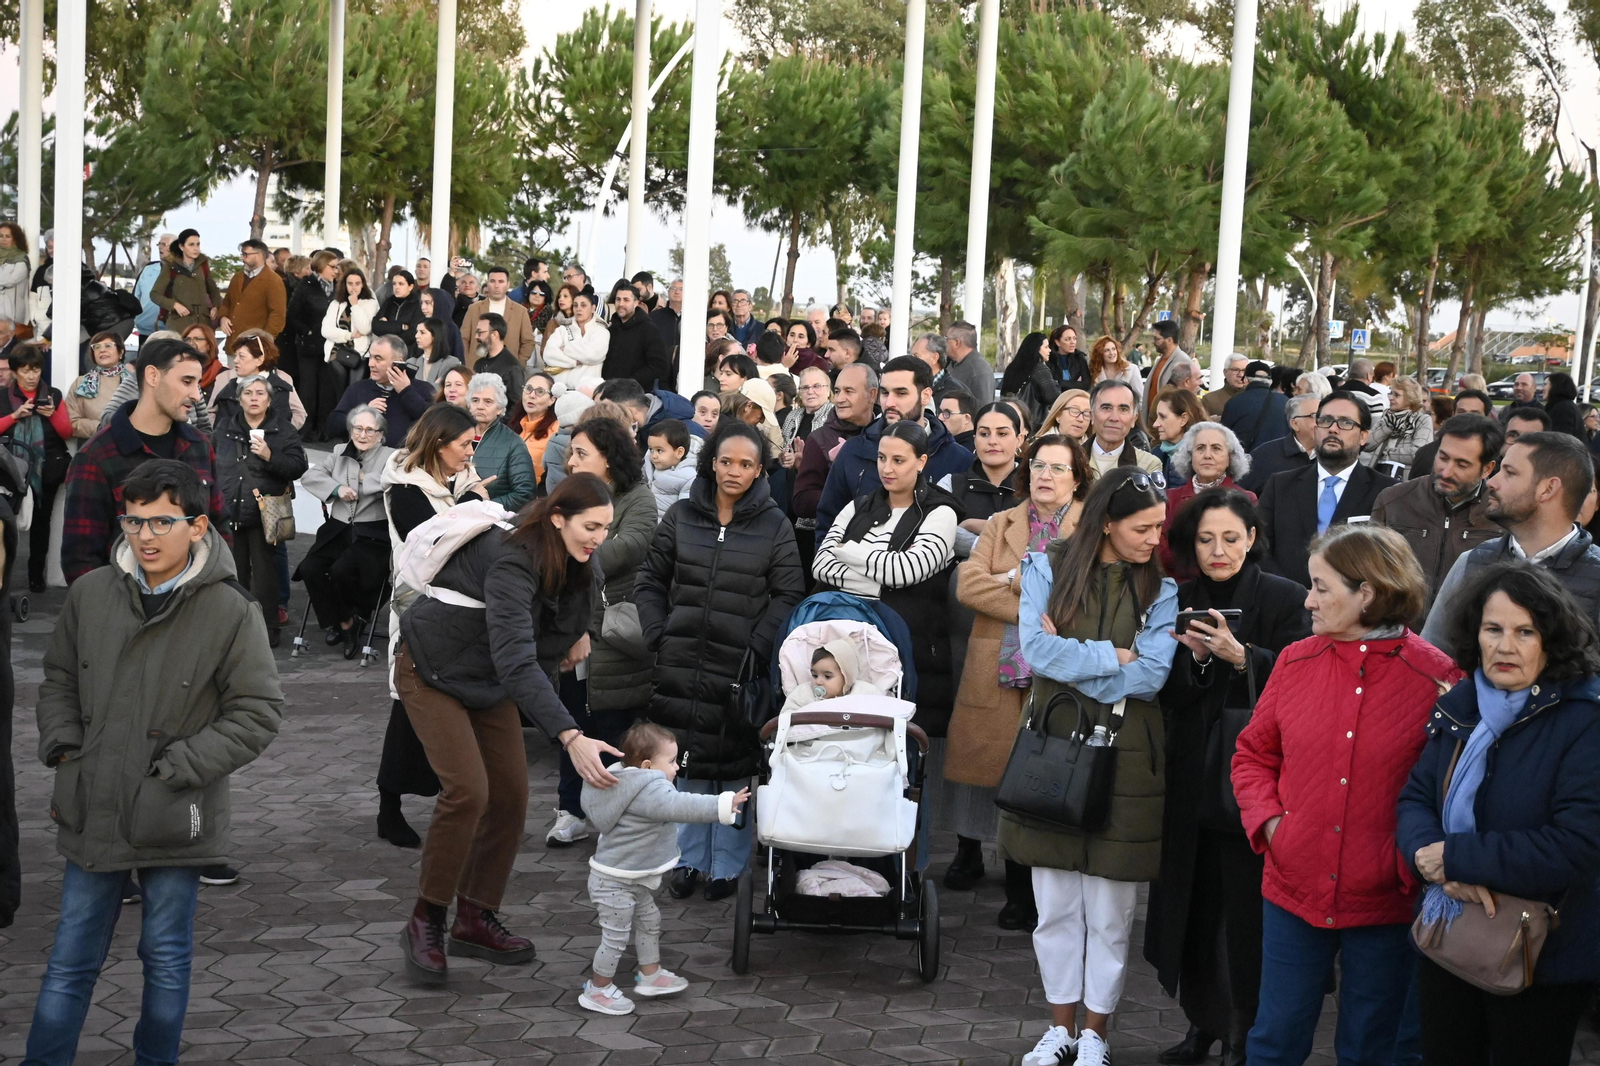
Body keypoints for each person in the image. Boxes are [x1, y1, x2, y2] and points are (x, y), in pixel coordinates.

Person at [24, 459, 281, 1066]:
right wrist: (64, 744)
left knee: (165, 960)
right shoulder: (91, 593)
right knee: (69, 962)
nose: (145, 536)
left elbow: (258, 713)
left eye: (162, 521)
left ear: (197, 526)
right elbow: (58, 677)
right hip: (92, 807)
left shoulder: (231, 610)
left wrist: (178, 767)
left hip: (173, 813)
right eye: (133, 522)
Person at [1232, 523, 1461, 1066]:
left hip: (1385, 899)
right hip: (1292, 888)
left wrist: (1405, 861)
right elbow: (1253, 755)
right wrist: (1271, 825)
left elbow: (1448, 790)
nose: (1307, 600)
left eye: (1320, 587)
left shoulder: (1438, 677)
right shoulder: (1295, 661)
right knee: (1275, 1040)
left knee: (1371, 1048)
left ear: (1368, 592)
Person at [394, 473, 622, 983]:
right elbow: (518, 660)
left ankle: (474, 916)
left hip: (487, 679)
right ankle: (425, 918)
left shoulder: (583, 556)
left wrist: (582, 632)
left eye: (606, 527)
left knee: (512, 795)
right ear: (558, 519)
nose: (598, 538)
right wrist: (569, 735)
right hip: (432, 668)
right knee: (468, 791)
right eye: (590, 526)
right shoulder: (512, 557)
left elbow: (585, 608)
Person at [1397, 563, 1600, 1066]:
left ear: (1551, 638)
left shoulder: (1584, 720)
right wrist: (1429, 857)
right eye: (1493, 629)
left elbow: (1576, 844)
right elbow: (1415, 798)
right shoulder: (1461, 705)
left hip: (1543, 955)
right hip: (1449, 936)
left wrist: (1457, 858)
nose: (1505, 646)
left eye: (1524, 631)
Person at [1008, 468, 1179, 1066]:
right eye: (1142, 527)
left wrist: (1075, 657)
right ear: (1107, 522)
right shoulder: (1044, 566)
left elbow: (1153, 674)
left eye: (1159, 527)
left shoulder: (1162, 588)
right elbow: (1036, 651)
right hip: (1053, 744)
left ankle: (1096, 1036)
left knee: (1111, 912)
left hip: (1129, 754)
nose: (1154, 539)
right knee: (1054, 906)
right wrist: (1112, 655)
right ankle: (1058, 1029)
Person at [1144, 489, 1311, 1066]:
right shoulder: (1177, 597)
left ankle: (1245, 1029)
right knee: (1192, 907)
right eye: (1206, 539)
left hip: (1258, 781)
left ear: (1253, 539)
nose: (1219, 550)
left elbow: (1301, 685)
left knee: (1245, 914)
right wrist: (1193, 660)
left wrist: (1244, 658)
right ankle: (1202, 1024)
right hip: (1190, 774)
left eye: (1231, 538)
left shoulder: (1287, 597)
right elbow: (1162, 691)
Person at [634, 422, 804, 901]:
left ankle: (726, 867)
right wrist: (657, 632)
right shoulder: (684, 515)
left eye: (745, 464)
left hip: (737, 666)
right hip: (679, 659)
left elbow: (788, 592)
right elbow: (650, 578)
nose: (733, 471)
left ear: (759, 470)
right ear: (711, 461)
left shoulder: (774, 524)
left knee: (731, 763)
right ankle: (687, 860)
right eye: (726, 461)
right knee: (683, 761)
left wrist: (757, 647)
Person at [946, 433, 1088, 929]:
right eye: (1039, 467)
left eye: (1058, 468)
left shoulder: (1089, 526)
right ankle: (997, 872)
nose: (1045, 476)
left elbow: (1082, 598)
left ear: (1078, 477)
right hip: (998, 667)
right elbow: (969, 584)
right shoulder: (1003, 522)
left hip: (1057, 672)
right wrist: (1033, 596)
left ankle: (1031, 885)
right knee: (995, 773)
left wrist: (1013, 583)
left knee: (1041, 777)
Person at [376, 404, 495, 849]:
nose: (470, 452)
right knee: (409, 706)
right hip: (419, 610)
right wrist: (472, 506)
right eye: (465, 444)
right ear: (438, 443)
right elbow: (428, 545)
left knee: (462, 703)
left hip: (462, 610)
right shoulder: (405, 490)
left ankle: (469, 801)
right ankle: (389, 809)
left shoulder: (461, 478)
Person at [578, 722, 750, 1015]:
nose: (676, 769)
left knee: (649, 920)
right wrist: (723, 804)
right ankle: (598, 989)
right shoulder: (649, 790)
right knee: (615, 937)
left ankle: (650, 973)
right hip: (615, 883)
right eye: (671, 762)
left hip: (630, 876)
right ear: (647, 766)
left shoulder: (625, 780)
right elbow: (682, 805)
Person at [546, 417, 656, 847]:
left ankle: (616, 818)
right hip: (571, 625)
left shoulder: (639, 499)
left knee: (614, 731)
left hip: (615, 633)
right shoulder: (568, 497)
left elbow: (626, 549)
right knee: (570, 723)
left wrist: (572, 548)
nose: (571, 463)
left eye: (581, 454)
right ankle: (570, 811)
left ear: (608, 459)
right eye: (571, 453)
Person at [814, 419, 963, 732]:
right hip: (843, 642)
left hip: (907, 651)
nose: (887, 468)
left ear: (921, 462)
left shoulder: (940, 513)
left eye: (899, 460)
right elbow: (821, 565)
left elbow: (907, 570)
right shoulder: (857, 506)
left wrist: (851, 554)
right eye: (882, 458)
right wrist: (882, 581)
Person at [61, 338, 224, 584]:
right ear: (152, 376)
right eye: (187, 381)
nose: (196, 395)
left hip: (199, 606)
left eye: (197, 383)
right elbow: (81, 560)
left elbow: (219, 528)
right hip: (125, 612)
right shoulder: (96, 457)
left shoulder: (200, 446)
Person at [1422, 431, 1600, 654]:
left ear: (1548, 489)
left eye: (1509, 473)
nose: (1491, 482)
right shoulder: (1472, 562)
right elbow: (1432, 658)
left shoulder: (1595, 573)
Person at [816, 356, 975, 537]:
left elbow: (962, 532)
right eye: (885, 393)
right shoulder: (854, 451)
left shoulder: (958, 459)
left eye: (901, 393)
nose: (889, 403)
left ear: (925, 396)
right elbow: (828, 522)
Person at [1256, 392, 1397, 587]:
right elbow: (1260, 547)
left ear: (1364, 436)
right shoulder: (1280, 485)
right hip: (1287, 604)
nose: (1333, 429)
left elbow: (1387, 561)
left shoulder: (1385, 491)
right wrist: (1288, 593)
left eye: (1346, 423)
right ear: (1316, 429)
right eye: (1325, 421)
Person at [1371, 413, 1504, 615]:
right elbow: (1369, 573)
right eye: (1443, 457)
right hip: (1400, 633)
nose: (1446, 472)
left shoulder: (1502, 514)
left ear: (1487, 469)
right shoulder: (1393, 501)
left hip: (1466, 639)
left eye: (1461, 464)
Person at [213, 374, 307, 646]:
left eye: (260, 393)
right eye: (248, 393)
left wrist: (269, 456)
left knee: (265, 574)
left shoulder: (283, 429)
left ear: (269, 399)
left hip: (265, 513)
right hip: (230, 510)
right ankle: (235, 626)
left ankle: (268, 627)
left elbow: (296, 466)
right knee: (233, 571)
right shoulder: (224, 428)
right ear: (239, 399)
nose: (253, 398)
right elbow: (213, 464)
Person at [298, 404, 393, 657]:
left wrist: (363, 481)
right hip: (338, 528)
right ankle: (343, 622)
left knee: (342, 571)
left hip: (373, 532)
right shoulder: (339, 451)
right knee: (310, 568)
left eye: (370, 430)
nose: (362, 435)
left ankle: (355, 617)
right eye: (357, 428)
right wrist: (336, 489)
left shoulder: (392, 455)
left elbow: (394, 479)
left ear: (381, 434)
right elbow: (310, 477)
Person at [1, 344, 72, 591]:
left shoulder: (53, 393)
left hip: (47, 468)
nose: (31, 376)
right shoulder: (2, 396)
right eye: (25, 370)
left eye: (36, 370)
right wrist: (15, 416)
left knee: (42, 523)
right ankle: (4, 575)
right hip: (11, 470)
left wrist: (52, 413)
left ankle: (36, 575)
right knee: (5, 523)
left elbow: (66, 431)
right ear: (15, 371)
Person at [1158, 421, 1254, 580]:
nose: (1207, 455)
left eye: (1216, 448)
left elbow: (1249, 553)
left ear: (1230, 457)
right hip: (1179, 590)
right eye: (1200, 448)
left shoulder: (1246, 499)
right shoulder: (1169, 498)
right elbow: (1161, 551)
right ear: (1190, 456)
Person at [938, 401, 1024, 555]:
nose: (992, 441)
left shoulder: (1034, 486)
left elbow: (1041, 540)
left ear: (1019, 439)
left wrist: (974, 526)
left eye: (1002, 434)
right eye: (984, 434)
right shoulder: (950, 485)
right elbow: (938, 534)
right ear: (974, 439)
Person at [327, 335, 435, 448]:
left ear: (398, 363)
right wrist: (362, 413)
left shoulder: (423, 389)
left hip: (403, 461)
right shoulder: (358, 389)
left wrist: (406, 391)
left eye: (378, 359)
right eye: (370, 357)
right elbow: (332, 427)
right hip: (363, 461)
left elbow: (434, 424)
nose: (370, 364)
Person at [460, 373, 536, 512]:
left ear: (500, 408)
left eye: (488, 401)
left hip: (492, 522)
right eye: (475, 400)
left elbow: (525, 494)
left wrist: (483, 505)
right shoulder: (455, 436)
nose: (480, 406)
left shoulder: (513, 443)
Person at [286, 250, 340, 439]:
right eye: (332, 267)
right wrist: (307, 331)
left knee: (327, 388)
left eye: (337, 267)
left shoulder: (338, 287)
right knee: (308, 389)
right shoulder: (306, 284)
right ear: (321, 266)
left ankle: (324, 429)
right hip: (309, 346)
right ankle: (305, 429)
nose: (336, 271)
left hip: (330, 346)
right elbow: (292, 315)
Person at [210, 329, 307, 430]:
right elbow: (212, 413)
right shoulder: (225, 379)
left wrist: (285, 434)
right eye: (236, 355)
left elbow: (298, 413)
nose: (235, 360)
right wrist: (218, 435)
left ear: (260, 359)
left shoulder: (281, 381)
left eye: (242, 356)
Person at [320, 264, 379, 412]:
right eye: (350, 283)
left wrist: (355, 305)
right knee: (339, 395)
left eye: (357, 283)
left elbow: (366, 328)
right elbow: (325, 330)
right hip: (337, 353)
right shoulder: (336, 303)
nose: (354, 287)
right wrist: (348, 335)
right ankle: (339, 427)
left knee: (355, 394)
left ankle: (354, 427)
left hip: (359, 355)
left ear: (363, 284)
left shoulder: (370, 303)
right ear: (344, 284)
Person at [1239, 393, 1318, 495]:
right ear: (1295, 424)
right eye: (1315, 416)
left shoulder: (1338, 454)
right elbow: (1241, 495)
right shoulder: (1265, 455)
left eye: (1326, 417)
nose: (1322, 422)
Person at [1408, 388, 1494, 479]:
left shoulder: (1496, 454)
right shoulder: (1427, 453)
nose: (1467, 419)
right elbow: (1416, 489)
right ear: (1453, 414)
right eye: (1461, 412)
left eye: (1474, 414)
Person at [1086, 379, 1164, 477]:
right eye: (1106, 408)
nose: (1114, 418)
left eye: (1123, 409)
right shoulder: (1070, 459)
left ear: (1134, 419)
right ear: (1092, 415)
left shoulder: (1147, 464)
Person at [459, 266, 536, 364]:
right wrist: (467, 361)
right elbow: (463, 338)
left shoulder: (520, 311)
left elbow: (528, 342)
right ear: (487, 284)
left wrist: (518, 364)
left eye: (501, 281)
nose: (496, 285)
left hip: (508, 369)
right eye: (492, 281)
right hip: (476, 367)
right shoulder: (474, 309)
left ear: (508, 284)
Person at [602, 281, 671, 391]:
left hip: (635, 395)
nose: (621, 304)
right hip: (609, 393)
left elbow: (659, 364)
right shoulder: (610, 330)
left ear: (636, 303)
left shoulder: (649, 330)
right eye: (618, 299)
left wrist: (630, 382)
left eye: (626, 300)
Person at [151, 229, 222, 334]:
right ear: (181, 247)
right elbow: (155, 294)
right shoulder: (170, 266)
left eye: (198, 244)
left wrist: (215, 306)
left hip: (203, 324)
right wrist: (174, 305)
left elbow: (213, 289)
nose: (196, 248)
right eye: (191, 245)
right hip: (179, 325)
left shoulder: (203, 264)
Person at [67, 332, 136, 439]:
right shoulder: (81, 383)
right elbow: (72, 420)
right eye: (97, 347)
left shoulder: (134, 380)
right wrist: (100, 427)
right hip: (97, 444)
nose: (102, 350)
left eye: (108, 345)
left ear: (121, 352)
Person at [1364, 376, 1434, 479]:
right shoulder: (1387, 416)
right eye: (1391, 393)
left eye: (1396, 395)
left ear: (1410, 397)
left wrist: (1388, 453)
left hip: (1405, 480)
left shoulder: (1422, 419)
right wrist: (1389, 426)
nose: (1390, 397)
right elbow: (1367, 444)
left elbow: (1419, 453)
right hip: (1377, 475)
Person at [219, 239, 287, 339]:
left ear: (259, 255)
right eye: (242, 254)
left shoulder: (273, 280)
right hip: (232, 342)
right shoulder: (237, 277)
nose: (242, 258)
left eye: (246, 254)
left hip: (256, 346)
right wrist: (222, 317)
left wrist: (265, 339)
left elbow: (277, 314)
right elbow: (226, 303)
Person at [544, 291, 609, 389]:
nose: (579, 309)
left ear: (593, 308)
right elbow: (548, 354)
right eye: (575, 305)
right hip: (561, 389)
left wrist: (566, 348)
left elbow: (593, 354)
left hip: (589, 391)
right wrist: (573, 362)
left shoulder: (601, 332)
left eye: (583, 305)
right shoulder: (562, 330)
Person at [1220, 360, 1288, 452]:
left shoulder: (1234, 402)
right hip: (1280, 459)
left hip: (1246, 459)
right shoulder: (1285, 401)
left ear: (1245, 380)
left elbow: (1224, 435)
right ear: (1270, 382)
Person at [1001, 331, 1063, 427]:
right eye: (1046, 347)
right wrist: (1056, 384)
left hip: (1010, 418)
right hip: (1032, 423)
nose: (1050, 350)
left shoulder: (1013, 367)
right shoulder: (1040, 369)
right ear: (1036, 349)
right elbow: (1052, 398)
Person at [644, 418, 696, 516]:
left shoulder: (689, 478)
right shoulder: (648, 467)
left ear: (679, 452)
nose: (654, 455)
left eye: (659, 450)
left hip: (667, 527)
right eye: (651, 449)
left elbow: (684, 514)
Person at [371, 267, 425, 362]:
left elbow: (412, 333)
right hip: (386, 354)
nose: (397, 287)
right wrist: (400, 326)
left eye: (401, 284)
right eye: (394, 284)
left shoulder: (417, 304)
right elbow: (376, 326)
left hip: (408, 354)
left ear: (410, 286)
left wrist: (387, 327)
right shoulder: (389, 302)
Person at [1153, 388, 1207, 479]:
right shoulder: (1156, 454)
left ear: (1183, 419)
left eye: (1162, 417)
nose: (1155, 424)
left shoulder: (1205, 458)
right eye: (1157, 417)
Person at [941, 320, 996, 405]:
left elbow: (983, 410)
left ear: (957, 343)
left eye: (947, 339)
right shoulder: (952, 364)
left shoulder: (979, 371)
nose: (945, 342)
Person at [518, 373, 558, 484]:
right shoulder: (515, 425)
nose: (532, 395)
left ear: (552, 400)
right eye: (528, 389)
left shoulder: (555, 431)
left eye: (540, 391)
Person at [1087, 334, 1141, 410]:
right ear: (1100, 354)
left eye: (1113, 349)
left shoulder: (1132, 369)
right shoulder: (1094, 371)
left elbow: (1139, 397)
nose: (1112, 353)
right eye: (1107, 350)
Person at [416, 316, 463, 389]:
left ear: (435, 335)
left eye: (422, 332)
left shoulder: (451, 362)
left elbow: (439, 389)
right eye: (417, 332)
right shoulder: (411, 362)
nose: (416, 336)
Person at [1046, 324, 1093, 393]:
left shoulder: (1079, 357)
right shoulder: (1049, 359)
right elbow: (1050, 385)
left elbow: (1086, 383)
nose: (1072, 342)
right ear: (1058, 342)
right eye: (1067, 339)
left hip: (1075, 397)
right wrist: (1075, 383)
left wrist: (1061, 382)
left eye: (1074, 338)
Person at [0, 222, 30, 328]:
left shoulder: (21, 259)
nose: (3, 239)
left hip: (12, 312)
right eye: (1, 236)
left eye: (8, 236)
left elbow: (10, 281)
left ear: (15, 238)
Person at [1543, 370, 1584, 439]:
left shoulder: (1563, 409)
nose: (1542, 388)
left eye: (1546, 384)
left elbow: (1560, 439)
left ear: (1555, 386)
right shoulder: (1563, 406)